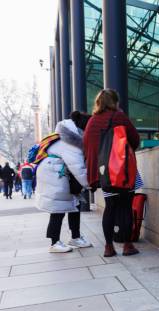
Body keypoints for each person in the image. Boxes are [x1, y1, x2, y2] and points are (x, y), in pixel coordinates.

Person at [84, 89, 140, 257]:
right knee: (125, 207)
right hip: (122, 171)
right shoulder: (118, 116)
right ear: (114, 102)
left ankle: (109, 247)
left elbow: (87, 148)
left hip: (104, 174)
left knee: (110, 208)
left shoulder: (92, 121)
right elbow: (135, 139)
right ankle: (127, 245)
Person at [37, 111, 93, 253]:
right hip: (55, 175)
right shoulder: (69, 142)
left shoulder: (67, 137)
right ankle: (54, 242)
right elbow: (78, 168)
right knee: (58, 208)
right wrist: (90, 183)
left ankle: (75, 236)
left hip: (58, 173)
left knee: (75, 204)